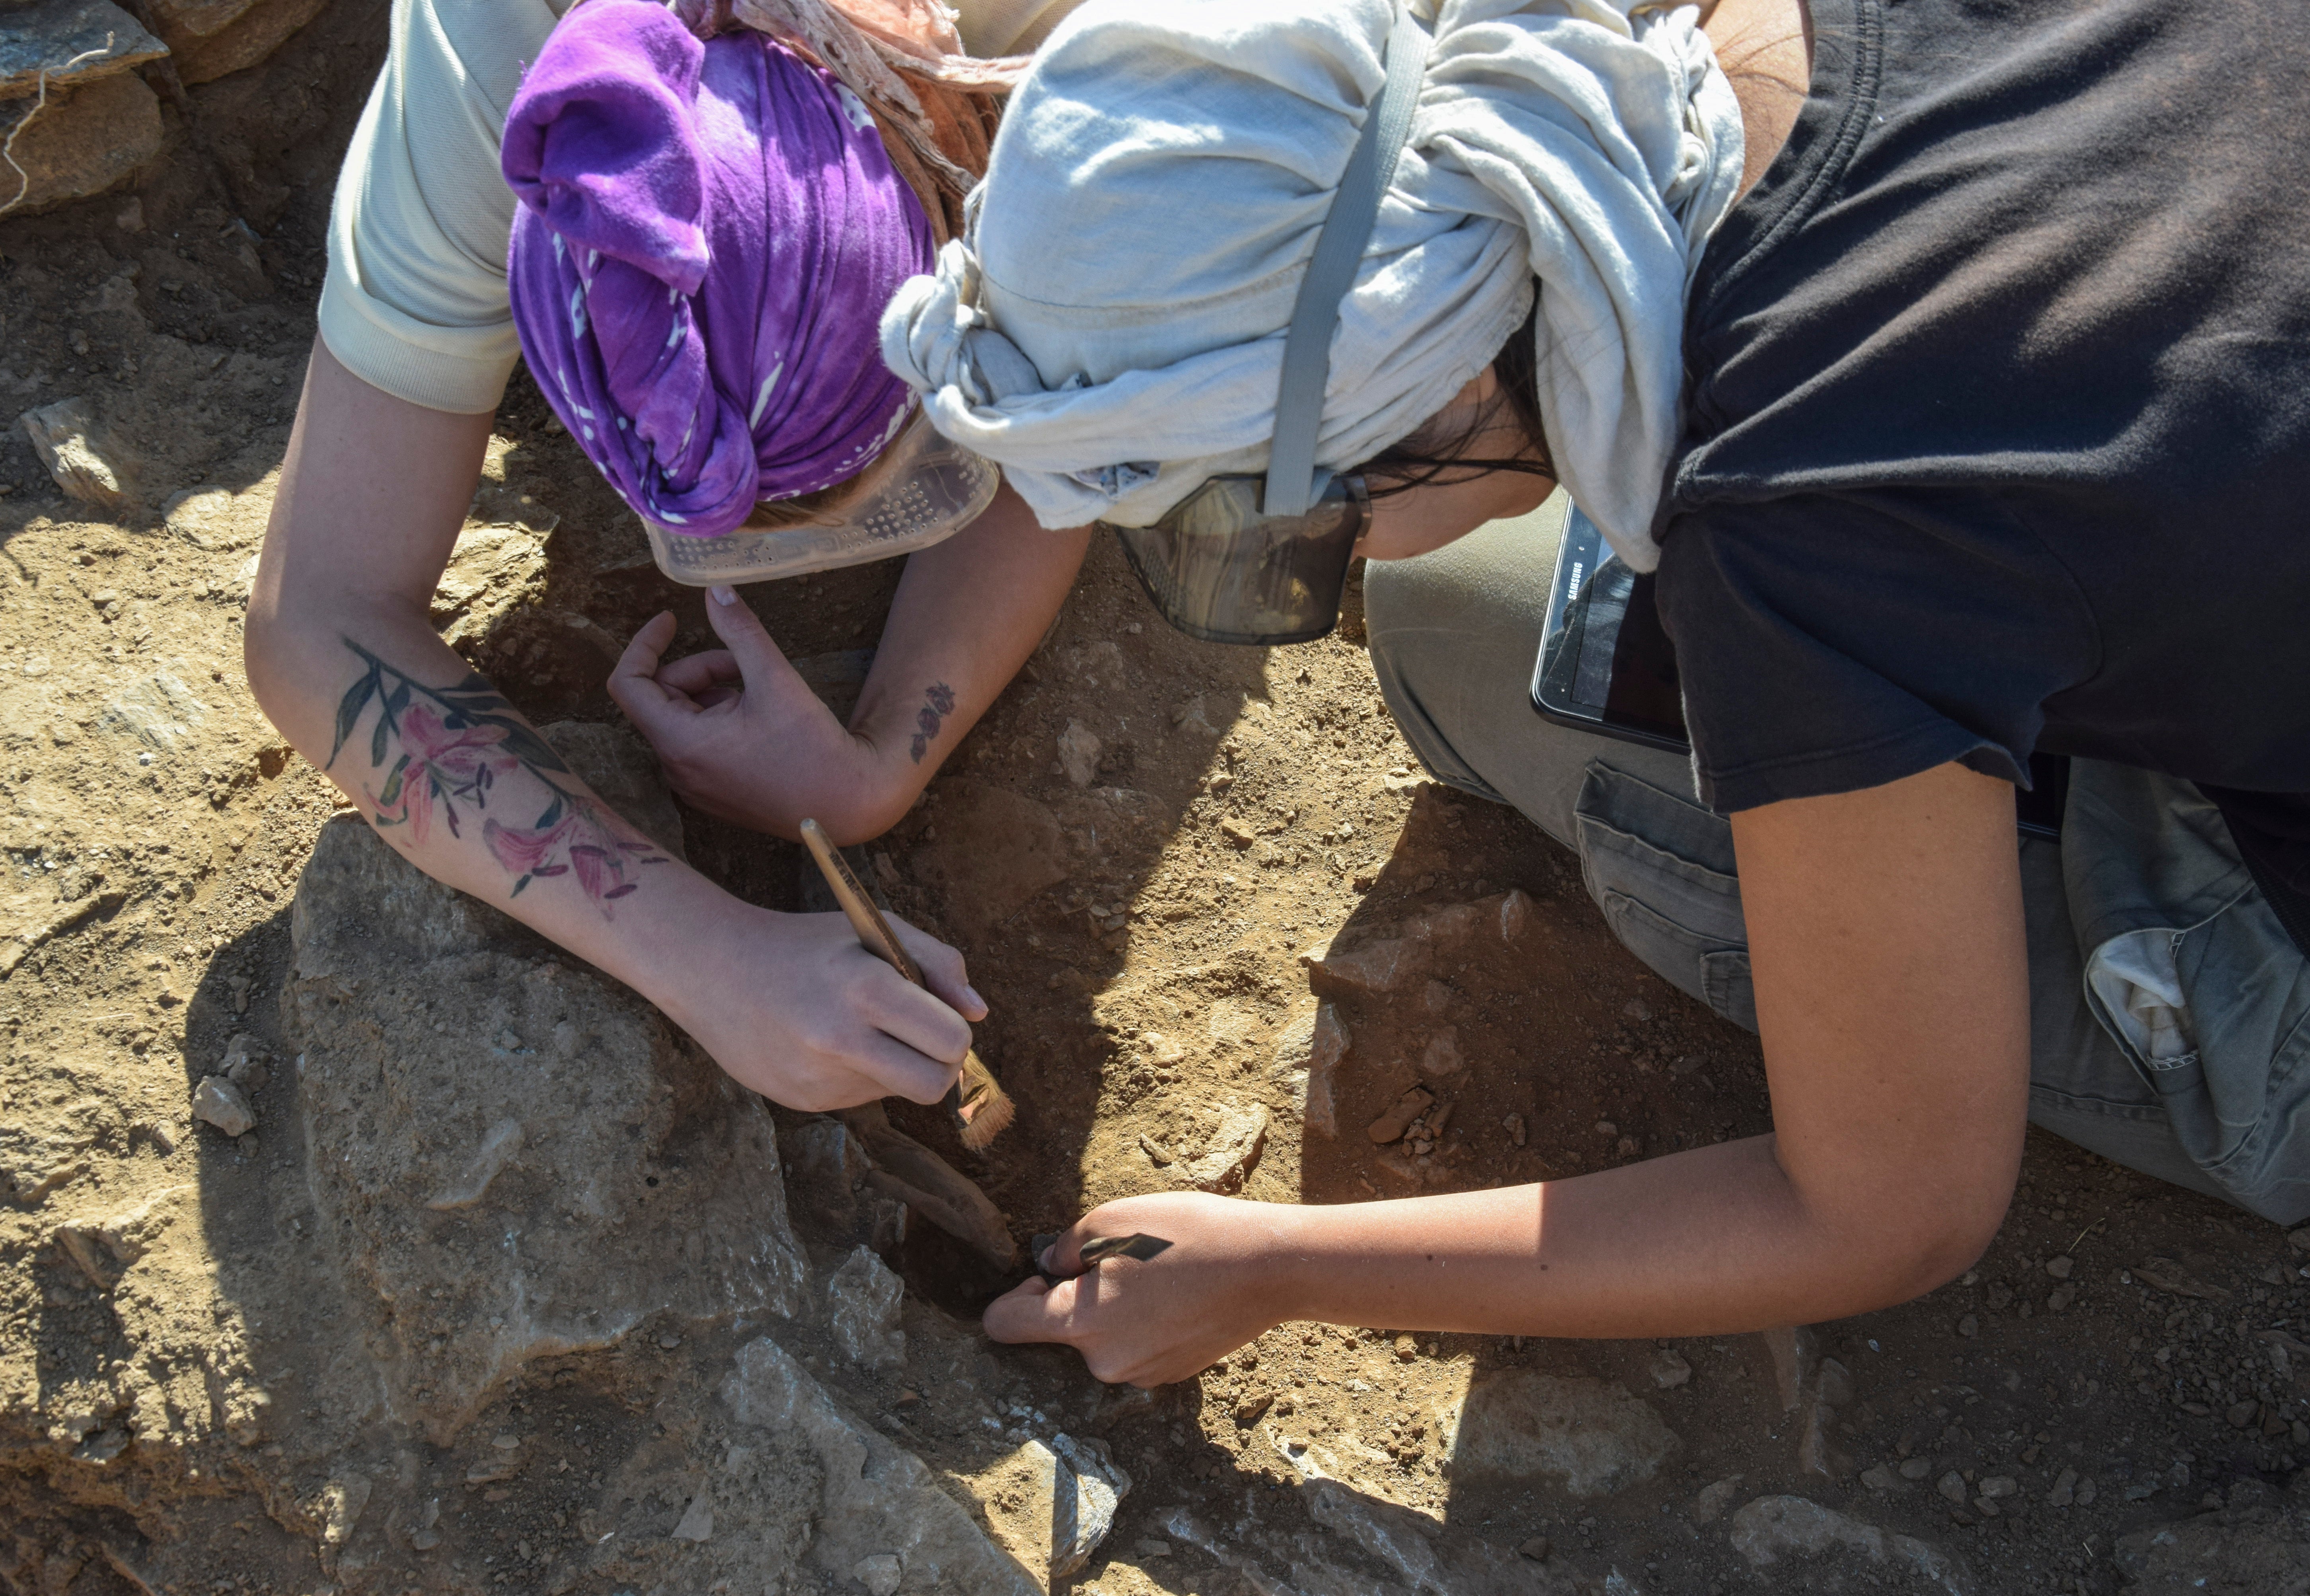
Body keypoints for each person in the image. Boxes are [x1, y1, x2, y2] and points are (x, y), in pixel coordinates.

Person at [835, 0, 2310, 1384]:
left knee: (1466, 642)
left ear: (1420, 406)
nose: (1319, 567)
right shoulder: (1681, 55)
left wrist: (1274, 1270)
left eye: (1261, 533)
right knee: (1468, 613)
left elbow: (1888, 1212)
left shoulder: (1797, 543)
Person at [245, 0, 1098, 1113]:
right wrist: (711, 959)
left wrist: (885, 761)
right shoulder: (493, 79)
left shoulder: (1082, 60)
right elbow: (316, 618)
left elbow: (1077, 441)